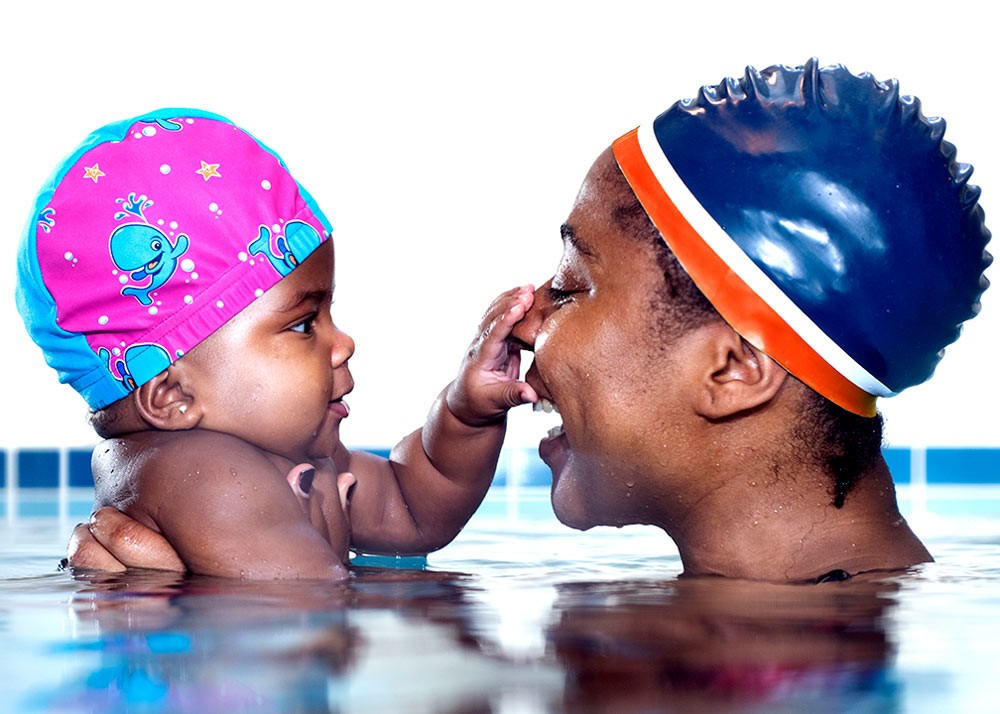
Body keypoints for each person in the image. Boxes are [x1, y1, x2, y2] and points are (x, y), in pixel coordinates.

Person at [68, 61, 992, 582]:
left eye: (572, 286)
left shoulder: (747, 663)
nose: (523, 319)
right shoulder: (777, 633)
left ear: (731, 371)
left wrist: (203, 613)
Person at [17, 108, 536, 579]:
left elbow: (414, 509)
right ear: (172, 393)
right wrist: (331, 565)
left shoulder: (273, 453)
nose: (345, 343)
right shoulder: (210, 478)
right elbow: (298, 621)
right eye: (304, 323)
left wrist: (466, 415)